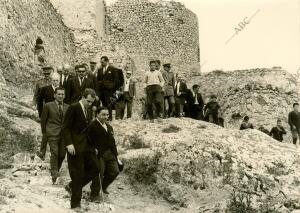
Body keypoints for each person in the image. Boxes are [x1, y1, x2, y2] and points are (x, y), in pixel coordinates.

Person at [63, 88, 99, 209]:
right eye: (88, 101)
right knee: (77, 174)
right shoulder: (73, 107)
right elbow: (66, 127)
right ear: (83, 97)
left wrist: (94, 146)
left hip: (87, 146)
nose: (89, 104)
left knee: (95, 168)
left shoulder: (88, 110)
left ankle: (72, 186)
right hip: (74, 146)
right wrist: (69, 143)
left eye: (91, 102)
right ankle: (75, 205)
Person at [87, 107, 120, 196]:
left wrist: (116, 155)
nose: (106, 117)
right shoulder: (92, 126)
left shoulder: (109, 127)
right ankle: (94, 194)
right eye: (103, 115)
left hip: (111, 154)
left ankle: (104, 186)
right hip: (99, 154)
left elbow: (112, 142)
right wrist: (93, 149)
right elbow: (87, 141)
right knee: (99, 174)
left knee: (115, 171)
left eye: (107, 115)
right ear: (97, 114)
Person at [41, 87, 69, 184]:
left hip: (63, 134)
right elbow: (43, 121)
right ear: (54, 95)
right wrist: (45, 134)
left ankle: (55, 169)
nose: (61, 96)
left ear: (64, 96)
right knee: (55, 153)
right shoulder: (48, 106)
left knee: (62, 154)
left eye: (62, 94)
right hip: (52, 133)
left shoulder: (68, 107)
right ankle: (54, 174)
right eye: (59, 94)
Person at [36, 72, 61, 160]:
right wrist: (40, 113)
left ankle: (56, 153)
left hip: (58, 114)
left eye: (57, 80)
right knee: (45, 131)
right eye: (54, 80)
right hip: (47, 113)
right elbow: (39, 101)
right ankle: (42, 152)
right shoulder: (45, 89)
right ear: (51, 80)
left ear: (59, 80)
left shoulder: (62, 90)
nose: (55, 82)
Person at [97, 56, 120, 121]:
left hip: (109, 90)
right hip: (102, 90)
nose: (102, 63)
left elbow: (116, 81)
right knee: (104, 104)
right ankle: (104, 117)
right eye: (101, 62)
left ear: (107, 61)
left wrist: (112, 88)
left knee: (109, 103)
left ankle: (109, 117)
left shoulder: (112, 69)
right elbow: (98, 80)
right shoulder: (99, 70)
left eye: (103, 62)